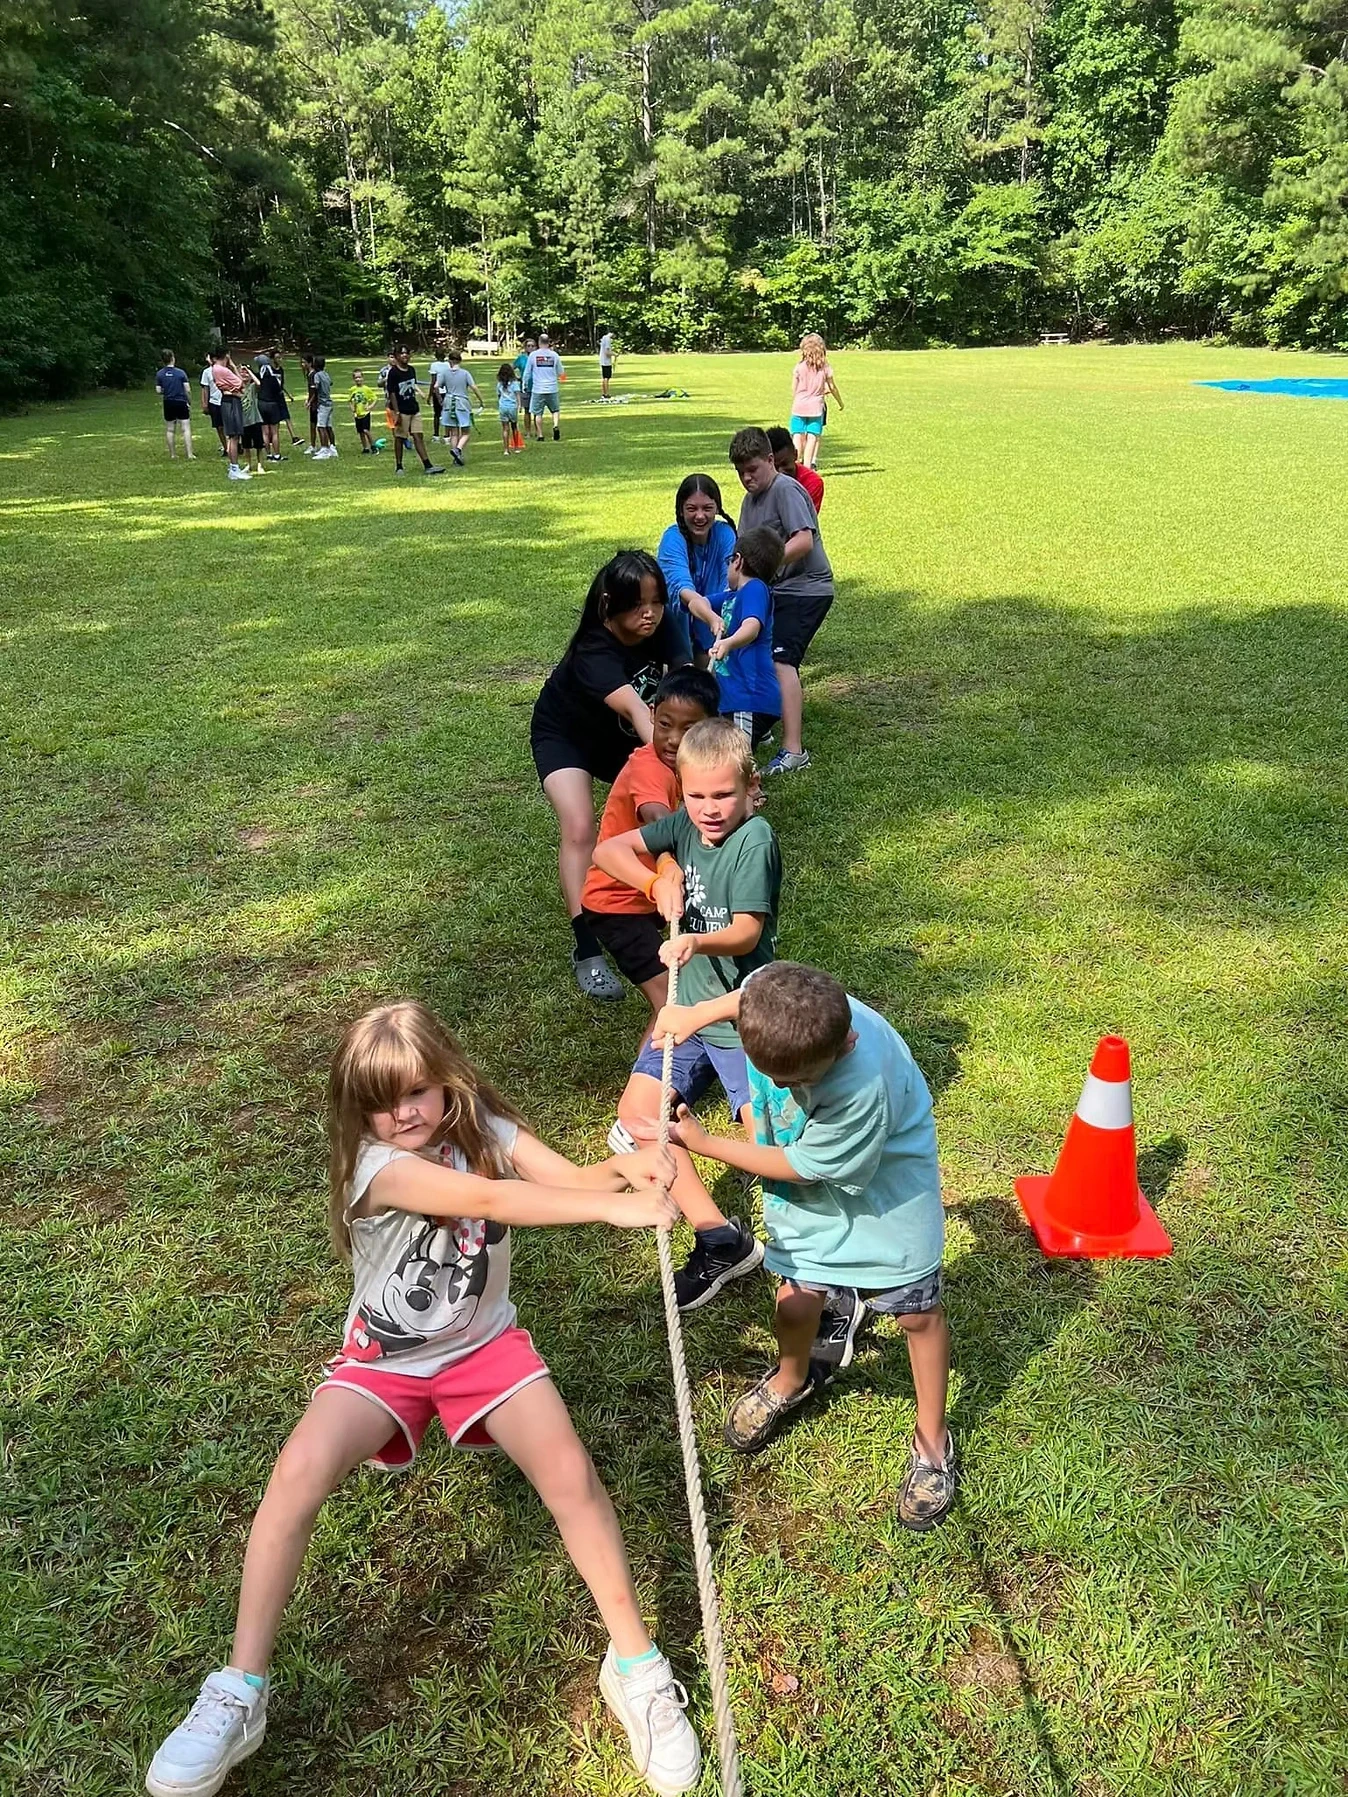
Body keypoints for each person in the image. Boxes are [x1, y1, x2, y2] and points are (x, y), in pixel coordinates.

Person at [142, 1000, 702, 1797]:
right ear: (357, 1107)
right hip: (385, 1359)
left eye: (416, 1091)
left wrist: (628, 1168)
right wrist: (613, 1207)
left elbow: (566, 1178)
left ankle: (636, 1666)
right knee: (297, 1472)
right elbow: (491, 1203)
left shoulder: (485, 1133)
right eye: (380, 1098)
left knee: (570, 1473)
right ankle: (239, 1690)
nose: (401, 1112)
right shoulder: (375, 1167)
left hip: (484, 1348)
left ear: (446, 1083)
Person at [639, 962, 954, 1528]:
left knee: (915, 1315)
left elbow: (802, 1167)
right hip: (813, 1190)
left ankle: (933, 1439)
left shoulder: (862, 1082)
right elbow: (748, 994)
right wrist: (697, 1013)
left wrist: (705, 1143)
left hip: (888, 1197)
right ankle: (792, 1376)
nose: (852, 1034)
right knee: (796, 1296)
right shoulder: (784, 997)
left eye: (799, 1079)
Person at [591, 717, 778, 1310]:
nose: (709, 809)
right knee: (635, 1124)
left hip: (739, 1017)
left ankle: (813, 1258)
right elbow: (608, 850)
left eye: (723, 794)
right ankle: (719, 1237)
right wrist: (657, 878)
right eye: (695, 796)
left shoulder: (756, 839)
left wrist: (698, 940)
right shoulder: (685, 826)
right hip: (683, 1011)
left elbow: (748, 933)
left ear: (751, 788)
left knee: (772, 1145)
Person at [530, 552, 688, 1002]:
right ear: (607, 605)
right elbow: (640, 711)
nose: (650, 614)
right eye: (638, 605)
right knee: (581, 827)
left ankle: (652, 906)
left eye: (657, 602)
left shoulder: (661, 623)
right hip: (566, 737)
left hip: (618, 740)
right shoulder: (593, 650)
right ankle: (587, 946)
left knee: (651, 815)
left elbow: (684, 689)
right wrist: (678, 760)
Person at [578, 668, 720, 1029]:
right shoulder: (650, 768)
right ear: (652, 715)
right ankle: (652, 1084)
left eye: (688, 730)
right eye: (665, 725)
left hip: (648, 901)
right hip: (616, 905)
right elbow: (656, 818)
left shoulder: (692, 766)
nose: (673, 740)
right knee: (669, 1003)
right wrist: (668, 864)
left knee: (689, 982)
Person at [728, 426, 833, 775]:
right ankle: (764, 723)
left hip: (807, 589)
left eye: (753, 469)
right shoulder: (748, 502)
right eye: (740, 471)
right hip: (778, 591)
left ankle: (794, 750)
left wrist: (764, 567)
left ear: (770, 460)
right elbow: (743, 552)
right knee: (752, 649)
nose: (746, 478)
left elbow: (803, 541)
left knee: (782, 661)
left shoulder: (786, 489)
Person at [708, 527, 783, 749]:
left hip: (748, 699)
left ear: (737, 561)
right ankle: (761, 734)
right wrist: (711, 617)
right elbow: (699, 602)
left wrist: (728, 642)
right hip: (738, 699)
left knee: (734, 758)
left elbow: (752, 627)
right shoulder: (732, 595)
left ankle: (751, 780)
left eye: (728, 561)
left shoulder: (755, 589)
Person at [656, 475, 738, 669]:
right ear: (681, 511)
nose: (700, 516)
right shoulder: (672, 538)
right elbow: (682, 590)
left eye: (707, 508)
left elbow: (729, 583)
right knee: (681, 677)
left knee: (708, 678)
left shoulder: (725, 534)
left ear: (716, 508)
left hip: (712, 625)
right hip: (675, 621)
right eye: (692, 509)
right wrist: (710, 617)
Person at [384, 348, 446, 476]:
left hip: (414, 408)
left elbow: (412, 386)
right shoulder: (393, 373)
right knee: (400, 438)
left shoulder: (411, 370)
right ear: (396, 356)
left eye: (406, 352)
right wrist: (396, 412)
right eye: (401, 353)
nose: (405, 355)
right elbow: (392, 393)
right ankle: (399, 466)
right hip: (401, 410)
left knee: (418, 436)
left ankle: (428, 465)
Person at [790, 332, 843, 469]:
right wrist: (840, 402)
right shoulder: (825, 368)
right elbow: (832, 387)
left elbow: (794, 389)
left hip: (799, 406)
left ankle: (795, 464)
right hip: (815, 408)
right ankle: (808, 467)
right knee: (812, 437)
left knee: (797, 435)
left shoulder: (799, 367)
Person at [210, 350, 249, 481]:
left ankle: (234, 467)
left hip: (226, 400)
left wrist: (231, 388)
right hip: (232, 402)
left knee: (232, 435)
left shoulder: (214, 369)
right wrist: (233, 366)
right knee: (234, 436)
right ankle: (234, 468)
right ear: (226, 356)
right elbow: (241, 384)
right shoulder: (224, 370)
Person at [766, 425, 823, 513]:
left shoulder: (812, 482)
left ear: (795, 454)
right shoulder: (761, 481)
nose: (781, 472)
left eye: (785, 464)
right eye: (775, 467)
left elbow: (803, 519)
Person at [440, 349, 481, 466]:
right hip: (462, 403)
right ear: (460, 361)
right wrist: (481, 400)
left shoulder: (445, 373)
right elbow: (473, 387)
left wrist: (440, 399)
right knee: (466, 432)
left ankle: (456, 457)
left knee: (454, 433)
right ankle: (458, 449)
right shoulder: (465, 373)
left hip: (448, 402)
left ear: (449, 361)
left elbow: (437, 386)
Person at [525, 331, 564, 441]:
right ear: (549, 343)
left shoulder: (533, 355)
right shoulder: (554, 355)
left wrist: (524, 384)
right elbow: (561, 371)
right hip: (552, 388)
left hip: (538, 389)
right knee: (555, 410)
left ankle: (540, 435)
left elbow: (527, 372)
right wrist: (560, 377)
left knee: (538, 413)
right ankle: (555, 425)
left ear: (539, 342)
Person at [156, 352, 194, 460]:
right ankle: (189, 454)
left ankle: (173, 454)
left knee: (170, 429)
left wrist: (167, 390)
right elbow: (187, 389)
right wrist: (189, 401)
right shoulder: (181, 373)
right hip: (181, 401)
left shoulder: (160, 374)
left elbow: (158, 390)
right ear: (173, 358)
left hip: (168, 402)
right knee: (185, 428)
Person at [256, 354, 288, 462]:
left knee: (265, 432)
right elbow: (278, 391)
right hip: (273, 405)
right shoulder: (273, 378)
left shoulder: (258, 377)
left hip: (261, 404)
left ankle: (268, 454)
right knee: (274, 432)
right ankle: (277, 455)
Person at [238, 361, 268, 474]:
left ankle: (260, 464)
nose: (244, 374)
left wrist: (249, 371)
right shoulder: (238, 388)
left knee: (259, 444)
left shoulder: (252, 387)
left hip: (255, 420)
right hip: (243, 421)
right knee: (246, 445)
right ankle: (248, 464)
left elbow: (259, 383)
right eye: (242, 372)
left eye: (246, 373)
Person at [309, 357, 336, 459]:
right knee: (329, 426)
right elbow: (330, 383)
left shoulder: (317, 375)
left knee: (321, 427)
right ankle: (332, 448)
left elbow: (316, 388)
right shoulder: (326, 374)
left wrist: (310, 401)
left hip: (323, 404)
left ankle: (324, 449)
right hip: (329, 403)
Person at [200, 358, 226, 457]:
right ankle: (226, 448)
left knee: (229, 426)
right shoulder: (206, 372)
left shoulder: (226, 369)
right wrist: (205, 404)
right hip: (214, 402)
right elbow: (205, 388)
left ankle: (235, 445)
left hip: (227, 400)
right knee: (219, 427)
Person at [496, 361, 523, 455]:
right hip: (512, 407)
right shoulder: (514, 383)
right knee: (514, 427)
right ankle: (516, 447)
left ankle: (506, 449)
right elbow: (517, 395)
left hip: (503, 407)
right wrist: (519, 405)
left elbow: (499, 395)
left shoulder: (499, 384)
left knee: (505, 428)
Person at [427, 344, 452, 444]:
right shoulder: (448, 365)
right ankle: (447, 436)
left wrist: (429, 395)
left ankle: (436, 435)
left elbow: (433, 381)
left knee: (437, 414)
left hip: (437, 392)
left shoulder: (434, 365)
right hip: (447, 391)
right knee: (447, 413)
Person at [348, 370, 377, 452]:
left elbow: (374, 398)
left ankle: (373, 446)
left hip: (365, 413)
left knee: (366, 430)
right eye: (356, 377)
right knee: (360, 432)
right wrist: (352, 408)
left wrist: (371, 406)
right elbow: (350, 400)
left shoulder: (366, 389)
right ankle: (365, 448)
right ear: (353, 379)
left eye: (359, 377)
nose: (358, 379)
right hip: (358, 414)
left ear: (363, 378)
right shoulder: (352, 389)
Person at [599, 327, 616, 398]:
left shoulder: (604, 337)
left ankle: (604, 393)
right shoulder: (608, 339)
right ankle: (606, 394)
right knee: (606, 377)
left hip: (603, 361)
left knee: (604, 377)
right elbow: (607, 352)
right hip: (606, 361)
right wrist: (615, 354)